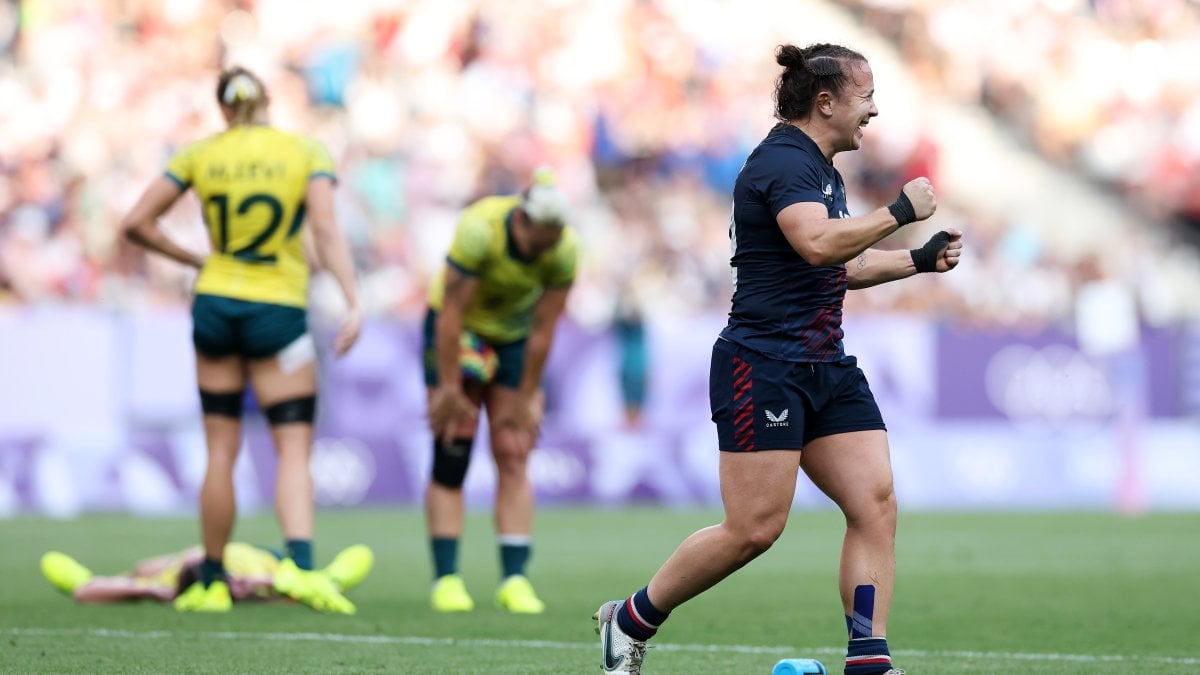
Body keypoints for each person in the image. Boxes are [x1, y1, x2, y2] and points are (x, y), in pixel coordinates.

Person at [595, 43, 963, 675]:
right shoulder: (784, 163)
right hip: (762, 364)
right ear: (826, 102)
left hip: (824, 363)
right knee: (755, 529)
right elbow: (817, 244)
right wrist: (900, 211)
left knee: (874, 505)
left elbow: (841, 266)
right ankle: (629, 620)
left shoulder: (823, 170)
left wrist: (917, 260)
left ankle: (869, 661)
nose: (873, 111)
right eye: (866, 97)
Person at [120, 66, 364, 614]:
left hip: (215, 304)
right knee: (293, 446)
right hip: (277, 308)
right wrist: (352, 298)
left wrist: (194, 260)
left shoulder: (199, 154)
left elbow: (135, 222)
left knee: (220, 450)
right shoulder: (305, 151)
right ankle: (300, 569)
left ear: (223, 108)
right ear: (269, 102)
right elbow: (325, 230)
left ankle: (210, 580)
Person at [422, 167, 578, 614]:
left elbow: (545, 327)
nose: (545, 248)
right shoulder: (479, 231)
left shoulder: (564, 248)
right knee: (454, 445)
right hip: (462, 332)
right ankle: (447, 579)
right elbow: (450, 313)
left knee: (513, 448)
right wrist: (449, 386)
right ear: (521, 221)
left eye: (554, 240)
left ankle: (514, 579)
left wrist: (528, 393)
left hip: (513, 336)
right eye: (540, 239)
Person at [39, 543, 374, 607]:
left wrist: (268, 585)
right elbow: (84, 596)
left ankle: (334, 577)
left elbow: (290, 591)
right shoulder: (173, 578)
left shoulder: (252, 571)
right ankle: (94, 576)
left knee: (311, 586)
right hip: (188, 559)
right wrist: (145, 590)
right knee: (143, 571)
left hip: (262, 556)